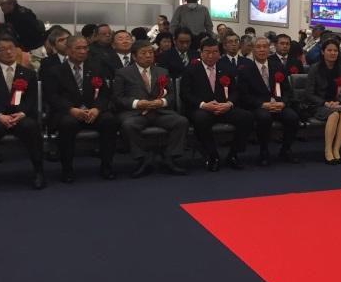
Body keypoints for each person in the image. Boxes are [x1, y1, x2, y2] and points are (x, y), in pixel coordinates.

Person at [42, 35, 119, 182]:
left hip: (93, 111)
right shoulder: (55, 71)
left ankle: (107, 166)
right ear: (68, 50)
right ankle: (67, 169)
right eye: (78, 48)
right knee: (67, 124)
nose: (83, 51)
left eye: (85, 48)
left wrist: (97, 109)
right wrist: (71, 109)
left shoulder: (96, 68)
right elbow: (52, 96)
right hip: (68, 112)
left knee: (109, 121)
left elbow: (105, 93)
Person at [0, 35, 44, 192]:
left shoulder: (28, 74)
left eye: (11, 48)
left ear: (17, 50)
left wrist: (22, 113)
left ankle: (39, 171)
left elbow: (31, 100)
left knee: (31, 126)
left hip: (20, 116)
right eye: (3, 49)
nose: (8, 52)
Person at [112, 40, 188, 178]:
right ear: (134, 56)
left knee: (181, 121)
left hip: (159, 111)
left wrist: (162, 102)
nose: (148, 56)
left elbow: (171, 95)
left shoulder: (162, 71)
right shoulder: (123, 73)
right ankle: (143, 159)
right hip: (136, 113)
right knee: (128, 125)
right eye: (143, 53)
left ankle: (169, 157)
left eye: (150, 53)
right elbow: (118, 98)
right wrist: (137, 103)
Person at [180, 37, 253, 172]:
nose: (211, 56)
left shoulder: (226, 68)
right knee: (201, 119)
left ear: (219, 53)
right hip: (202, 109)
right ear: (201, 53)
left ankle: (233, 154)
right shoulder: (191, 69)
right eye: (207, 52)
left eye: (214, 52)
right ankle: (212, 155)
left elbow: (236, 91)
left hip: (223, 107)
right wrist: (203, 105)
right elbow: (185, 94)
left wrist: (229, 104)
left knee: (246, 117)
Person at [236, 36, 301, 166]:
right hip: (259, 106)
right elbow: (244, 96)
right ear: (253, 50)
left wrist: (283, 102)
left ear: (269, 49)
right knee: (264, 117)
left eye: (264, 47)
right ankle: (264, 151)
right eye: (258, 47)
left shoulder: (278, 66)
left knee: (293, 117)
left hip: (278, 104)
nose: (262, 50)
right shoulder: (245, 69)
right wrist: (262, 104)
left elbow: (287, 91)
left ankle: (286, 149)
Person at [306, 38, 341, 164]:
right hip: (318, 104)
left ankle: (336, 149)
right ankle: (328, 150)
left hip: (335, 103)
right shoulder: (315, 68)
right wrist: (325, 103)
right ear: (322, 52)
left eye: (335, 51)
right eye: (329, 50)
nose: (333, 53)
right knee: (334, 114)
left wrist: (339, 101)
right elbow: (309, 94)